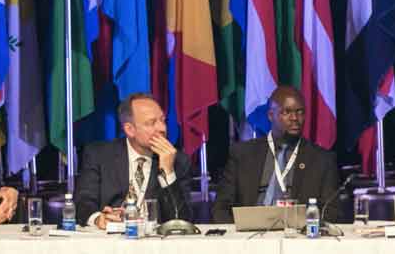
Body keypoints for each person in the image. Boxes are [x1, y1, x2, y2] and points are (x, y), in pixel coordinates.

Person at [212, 85, 340, 223]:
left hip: (299, 235)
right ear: (271, 115)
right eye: (286, 112)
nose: (294, 118)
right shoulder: (243, 154)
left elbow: (332, 211)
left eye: (300, 112)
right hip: (251, 235)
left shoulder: (322, 160)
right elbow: (221, 209)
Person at [75, 93, 192, 229]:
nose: (162, 128)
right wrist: (98, 219)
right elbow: (83, 202)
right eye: (151, 123)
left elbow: (181, 221)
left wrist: (168, 171)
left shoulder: (178, 161)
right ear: (130, 130)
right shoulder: (99, 155)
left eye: (163, 120)